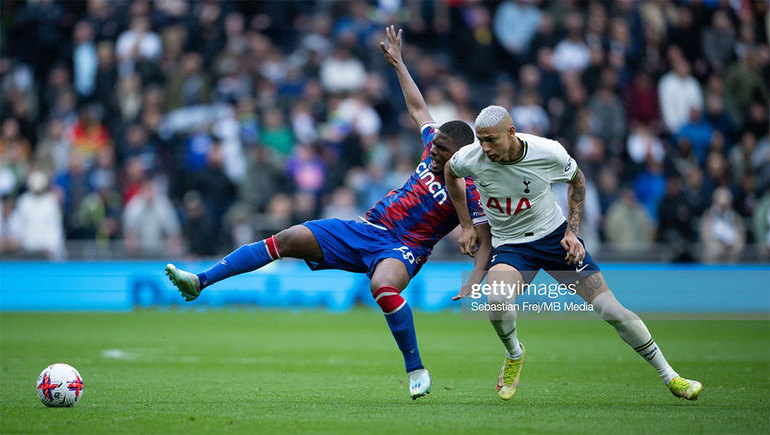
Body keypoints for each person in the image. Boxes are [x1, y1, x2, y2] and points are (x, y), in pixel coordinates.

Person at [165, 26, 492, 400]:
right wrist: (399, 64)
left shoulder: (471, 189)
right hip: (367, 228)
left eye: (441, 152)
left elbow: (484, 239)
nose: (433, 153)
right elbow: (419, 108)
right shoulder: (431, 146)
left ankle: (415, 368)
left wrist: (477, 277)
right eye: (433, 148)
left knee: (382, 286)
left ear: (461, 157)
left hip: (404, 248)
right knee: (287, 238)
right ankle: (200, 281)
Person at [444, 105, 702, 401]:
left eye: (491, 140)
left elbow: (577, 180)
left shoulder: (548, 152)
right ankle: (514, 354)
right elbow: (451, 174)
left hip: (554, 238)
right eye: (480, 140)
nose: (485, 148)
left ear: (511, 133)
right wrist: (466, 225)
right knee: (498, 298)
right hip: (511, 246)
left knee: (611, 310)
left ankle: (671, 376)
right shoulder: (471, 157)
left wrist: (572, 233)